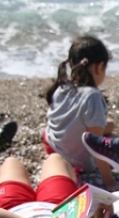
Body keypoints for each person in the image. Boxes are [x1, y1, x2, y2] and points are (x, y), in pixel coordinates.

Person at [44, 35, 114, 185]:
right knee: (109, 135)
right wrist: (110, 181)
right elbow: (97, 146)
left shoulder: (61, 87)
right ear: (99, 67)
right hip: (78, 161)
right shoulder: (92, 96)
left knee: (110, 124)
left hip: (54, 148)